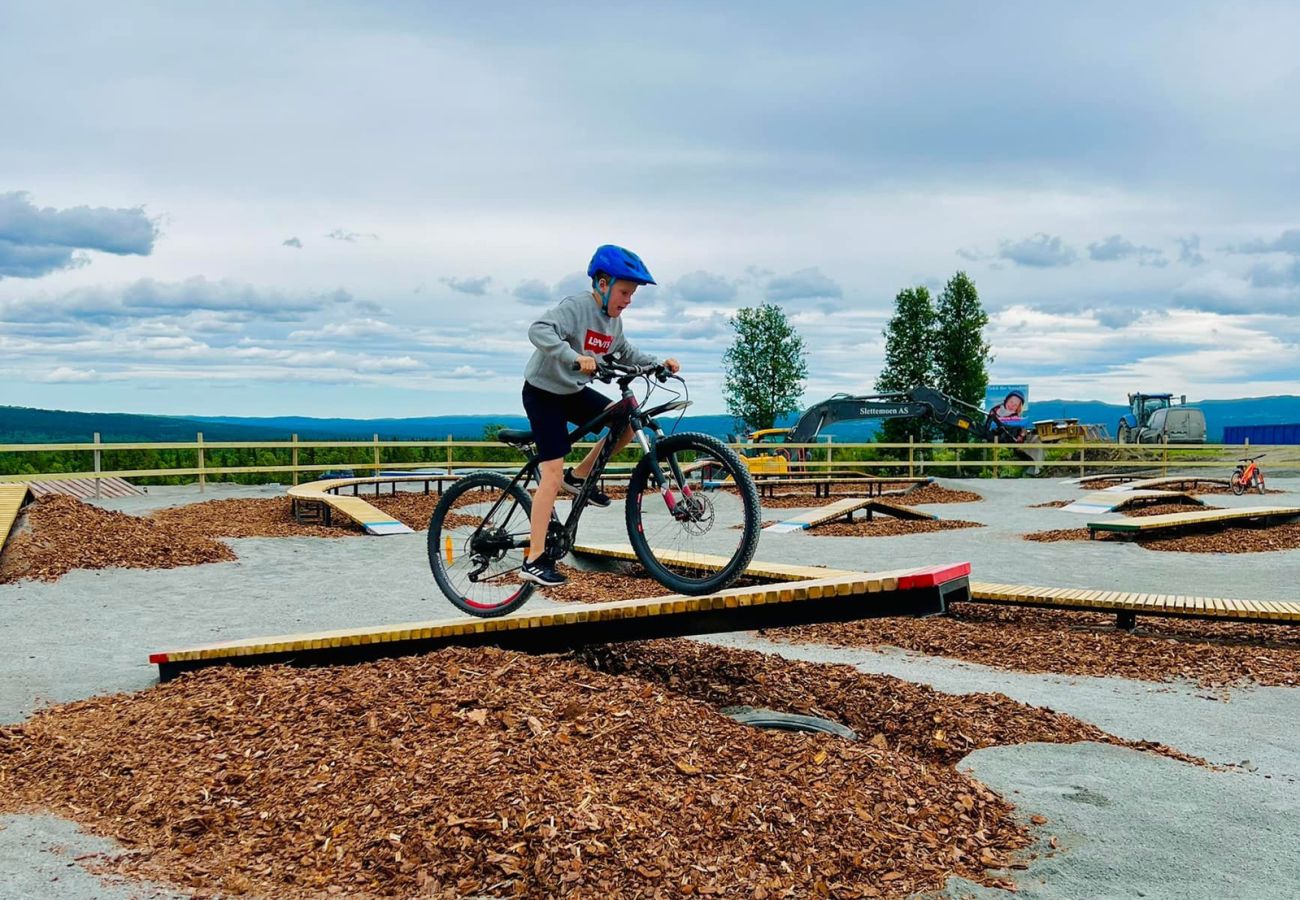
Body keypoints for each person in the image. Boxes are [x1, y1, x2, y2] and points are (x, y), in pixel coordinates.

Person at [518, 244, 680, 587]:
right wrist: (572, 356)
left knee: (623, 422)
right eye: (624, 292)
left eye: (632, 294)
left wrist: (657, 363)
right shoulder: (577, 307)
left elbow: (624, 351)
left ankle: (578, 478)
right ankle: (533, 558)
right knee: (550, 473)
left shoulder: (613, 323)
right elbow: (539, 330)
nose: (628, 300)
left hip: (573, 392)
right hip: (544, 393)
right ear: (603, 284)